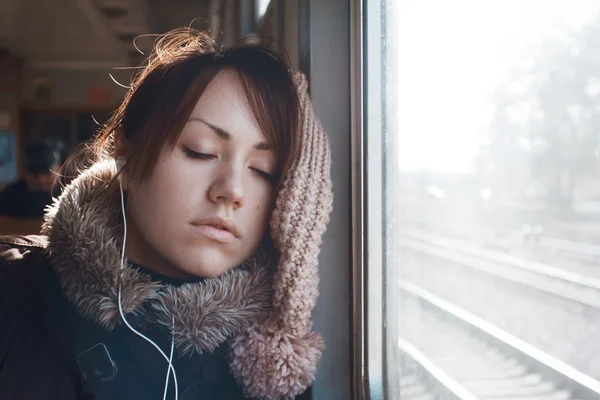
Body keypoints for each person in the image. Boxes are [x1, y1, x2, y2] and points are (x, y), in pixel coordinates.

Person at [0, 28, 332, 400]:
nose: (232, 190)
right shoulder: (13, 291)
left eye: (264, 170)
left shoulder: (274, 364)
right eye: (200, 150)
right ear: (125, 152)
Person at [0, 143, 61, 217]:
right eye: (34, 174)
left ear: (58, 170)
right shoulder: (8, 197)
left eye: (46, 173)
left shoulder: (68, 196)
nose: (41, 180)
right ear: (25, 174)